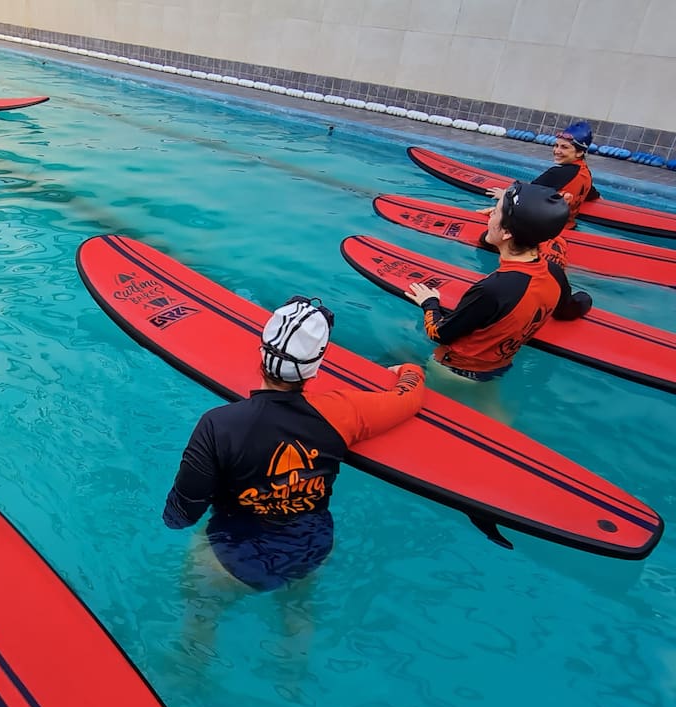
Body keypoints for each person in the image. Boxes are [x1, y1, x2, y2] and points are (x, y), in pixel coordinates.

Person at [164, 297, 425, 591]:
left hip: (231, 553)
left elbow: (183, 513)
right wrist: (411, 370)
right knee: (298, 620)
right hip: (311, 546)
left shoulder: (218, 425)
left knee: (200, 622)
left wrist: (172, 519)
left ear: (261, 354)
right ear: (315, 370)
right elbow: (409, 399)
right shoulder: (345, 412)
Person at [407, 182, 593, 382]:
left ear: (506, 233)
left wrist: (430, 303)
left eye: (494, 213)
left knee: (394, 357)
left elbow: (439, 334)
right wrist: (585, 299)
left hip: (453, 370)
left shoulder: (492, 290)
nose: (488, 217)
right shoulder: (554, 273)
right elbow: (567, 310)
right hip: (499, 368)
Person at [481, 120, 600, 229]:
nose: (557, 151)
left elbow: (526, 194)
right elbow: (590, 192)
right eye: (556, 145)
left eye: (564, 147)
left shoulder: (557, 173)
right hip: (568, 226)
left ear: (579, 152)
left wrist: (505, 195)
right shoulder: (585, 173)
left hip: (543, 228)